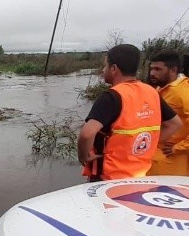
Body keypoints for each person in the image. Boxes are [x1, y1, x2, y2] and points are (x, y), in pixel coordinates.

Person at [78, 44, 182, 181]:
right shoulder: (152, 92)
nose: (103, 70)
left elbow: (87, 133)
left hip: (108, 177)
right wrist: (144, 147)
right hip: (140, 175)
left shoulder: (112, 96)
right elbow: (175, 124)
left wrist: (83, 157)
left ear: (114, 69)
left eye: (105, 66)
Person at [147, 51, 189, 177]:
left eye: (157, 69)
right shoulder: (163, 88)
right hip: (156, 160)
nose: (152, 73)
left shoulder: (182, 91)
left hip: (171, 164)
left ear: (173, 70)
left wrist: (179, 148)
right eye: (151, 69)